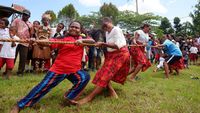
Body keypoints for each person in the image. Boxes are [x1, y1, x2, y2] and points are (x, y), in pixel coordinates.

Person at [10, 21, 95, 113]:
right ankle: (20, 105)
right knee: (42, 87)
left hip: (74, 70)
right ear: (68, 28)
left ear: (80, 30)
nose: (74, 29)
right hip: (58, 70)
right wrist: (36, 40)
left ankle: (68, 98)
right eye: (72, 27)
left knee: (85, 77)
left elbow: (93, 41)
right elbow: (48, 42)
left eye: (76, 27)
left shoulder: (82, 38)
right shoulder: (62, 38)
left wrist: (82, 41)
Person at [77, 17, 130, 105]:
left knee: (106, 75)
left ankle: (89, 98)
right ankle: (112, 92)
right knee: (102, 72)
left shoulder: (116, 29)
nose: (105, 26)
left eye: (106, 24)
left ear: (110, 22)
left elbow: (117, 46)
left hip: (120, 54)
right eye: (103, 25)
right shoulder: (106, 32)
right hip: (111, 55)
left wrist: (103, 44)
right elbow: (109, 45)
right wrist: (102, 45)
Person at [11, 9, 32, 76]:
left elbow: (31, 34)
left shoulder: (30, 24)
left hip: (25, 43)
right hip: (16, 41)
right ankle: (9, 70)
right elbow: (12, 29)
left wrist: (30, 43)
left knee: (23, 58)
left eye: (26, 15)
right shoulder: (16, 20)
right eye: (23, 14)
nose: (24, 16)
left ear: (29, 16)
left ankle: (20, 72)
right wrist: (12, 39)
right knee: (12, 56)